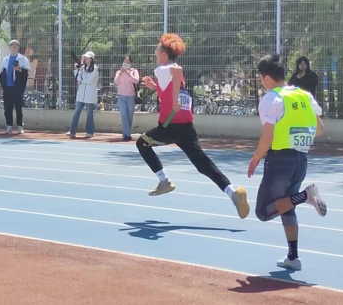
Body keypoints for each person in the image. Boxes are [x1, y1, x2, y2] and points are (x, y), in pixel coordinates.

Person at [136, 33, 250, 219]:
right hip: (186, 126)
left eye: (157, 49)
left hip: (169, 126)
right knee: (202, 164)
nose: (155, 52)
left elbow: (177, 71)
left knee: (142, 143)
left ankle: (164, 181)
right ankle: (233, 193)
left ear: (164, 54)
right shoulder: (168, 74)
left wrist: (174, 99)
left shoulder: (162, 69)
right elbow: (173, 85)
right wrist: (156, 88)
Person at [248, 53, 326, 271]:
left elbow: (268, 136)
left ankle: (306, 196)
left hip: (280, 160)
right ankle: (293, 257)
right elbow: (320, 129)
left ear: (266, 78)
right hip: (301, 159)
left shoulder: (270, 99)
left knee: (264, 211)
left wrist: (256, 158)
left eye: (261, 79)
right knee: (286, 206)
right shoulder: (304, 95)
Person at [0, 40, 31, 134]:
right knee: (7, 107)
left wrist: (19, 69)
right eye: (12, 45)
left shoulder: (23, 59)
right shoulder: (5, 59)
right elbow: (2, 74)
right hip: (7, 87)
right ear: (10, 47)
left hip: (18, 88)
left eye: (16, 45)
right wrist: (0, 85)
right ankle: (9, 126)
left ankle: (20, 126)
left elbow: (27, 72)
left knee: (18, 107)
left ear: (18, 47)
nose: (14, 46)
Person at [66, 51, 99, 139]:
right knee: (76, 113)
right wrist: (76, 69)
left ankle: (90, 131)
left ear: (91, 59)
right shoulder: (82, 68)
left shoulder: (95, 68)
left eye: (87, 58)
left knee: (89, 114)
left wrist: (82, 81)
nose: (85, 59)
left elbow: (90, 80)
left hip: (90, 94)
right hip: (80, 94)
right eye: (85, 57)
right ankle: (72, 131)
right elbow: (78, 78)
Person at [114, 55, 140, 142]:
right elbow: (116, 82)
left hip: (130, 96)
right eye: (124, 62)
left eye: (128, 62)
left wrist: (128, 73)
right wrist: (121, 73)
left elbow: (136, 80)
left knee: (130, 115)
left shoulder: (134, 71)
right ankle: (128, 135)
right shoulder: (119, 72)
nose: (126, 63)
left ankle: (126, 132)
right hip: (121, 96)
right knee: (124, 115)